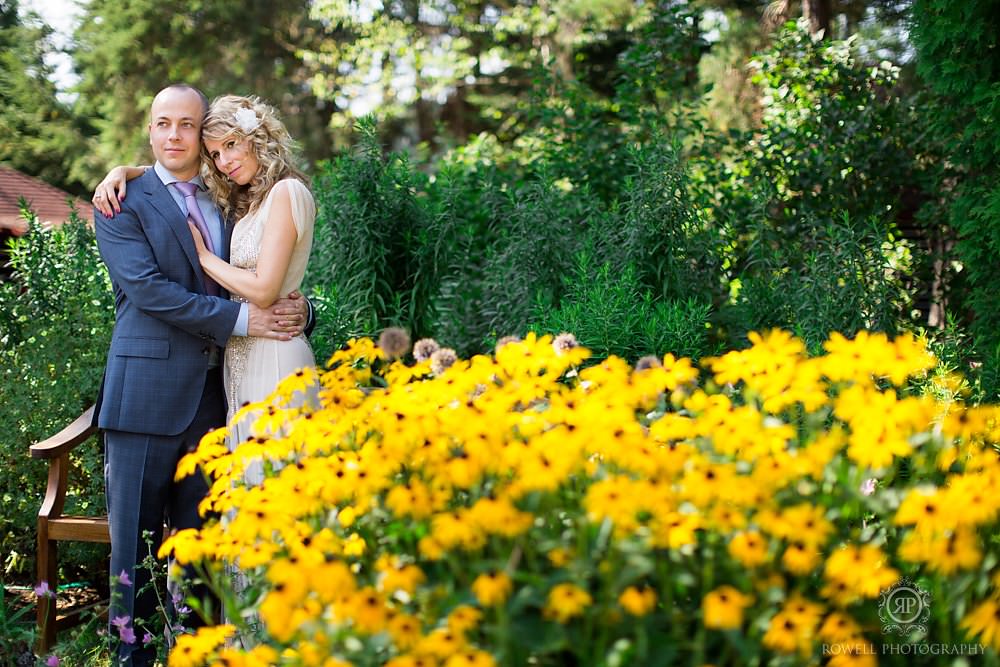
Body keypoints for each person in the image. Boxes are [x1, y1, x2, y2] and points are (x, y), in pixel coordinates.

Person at [91, 84, 310, 667]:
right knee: (132, 554)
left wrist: (302, 310)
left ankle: (195, 657)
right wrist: (247, 317)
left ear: (203, 134)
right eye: (163, 124)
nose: (174, 136)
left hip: (221, 401)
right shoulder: (121, 200)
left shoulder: (229, 196)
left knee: (204, 556)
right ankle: (130, 659)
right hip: (144, 398)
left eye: (186, 125)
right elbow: (149, 292)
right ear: (150, 129)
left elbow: (269, 270)